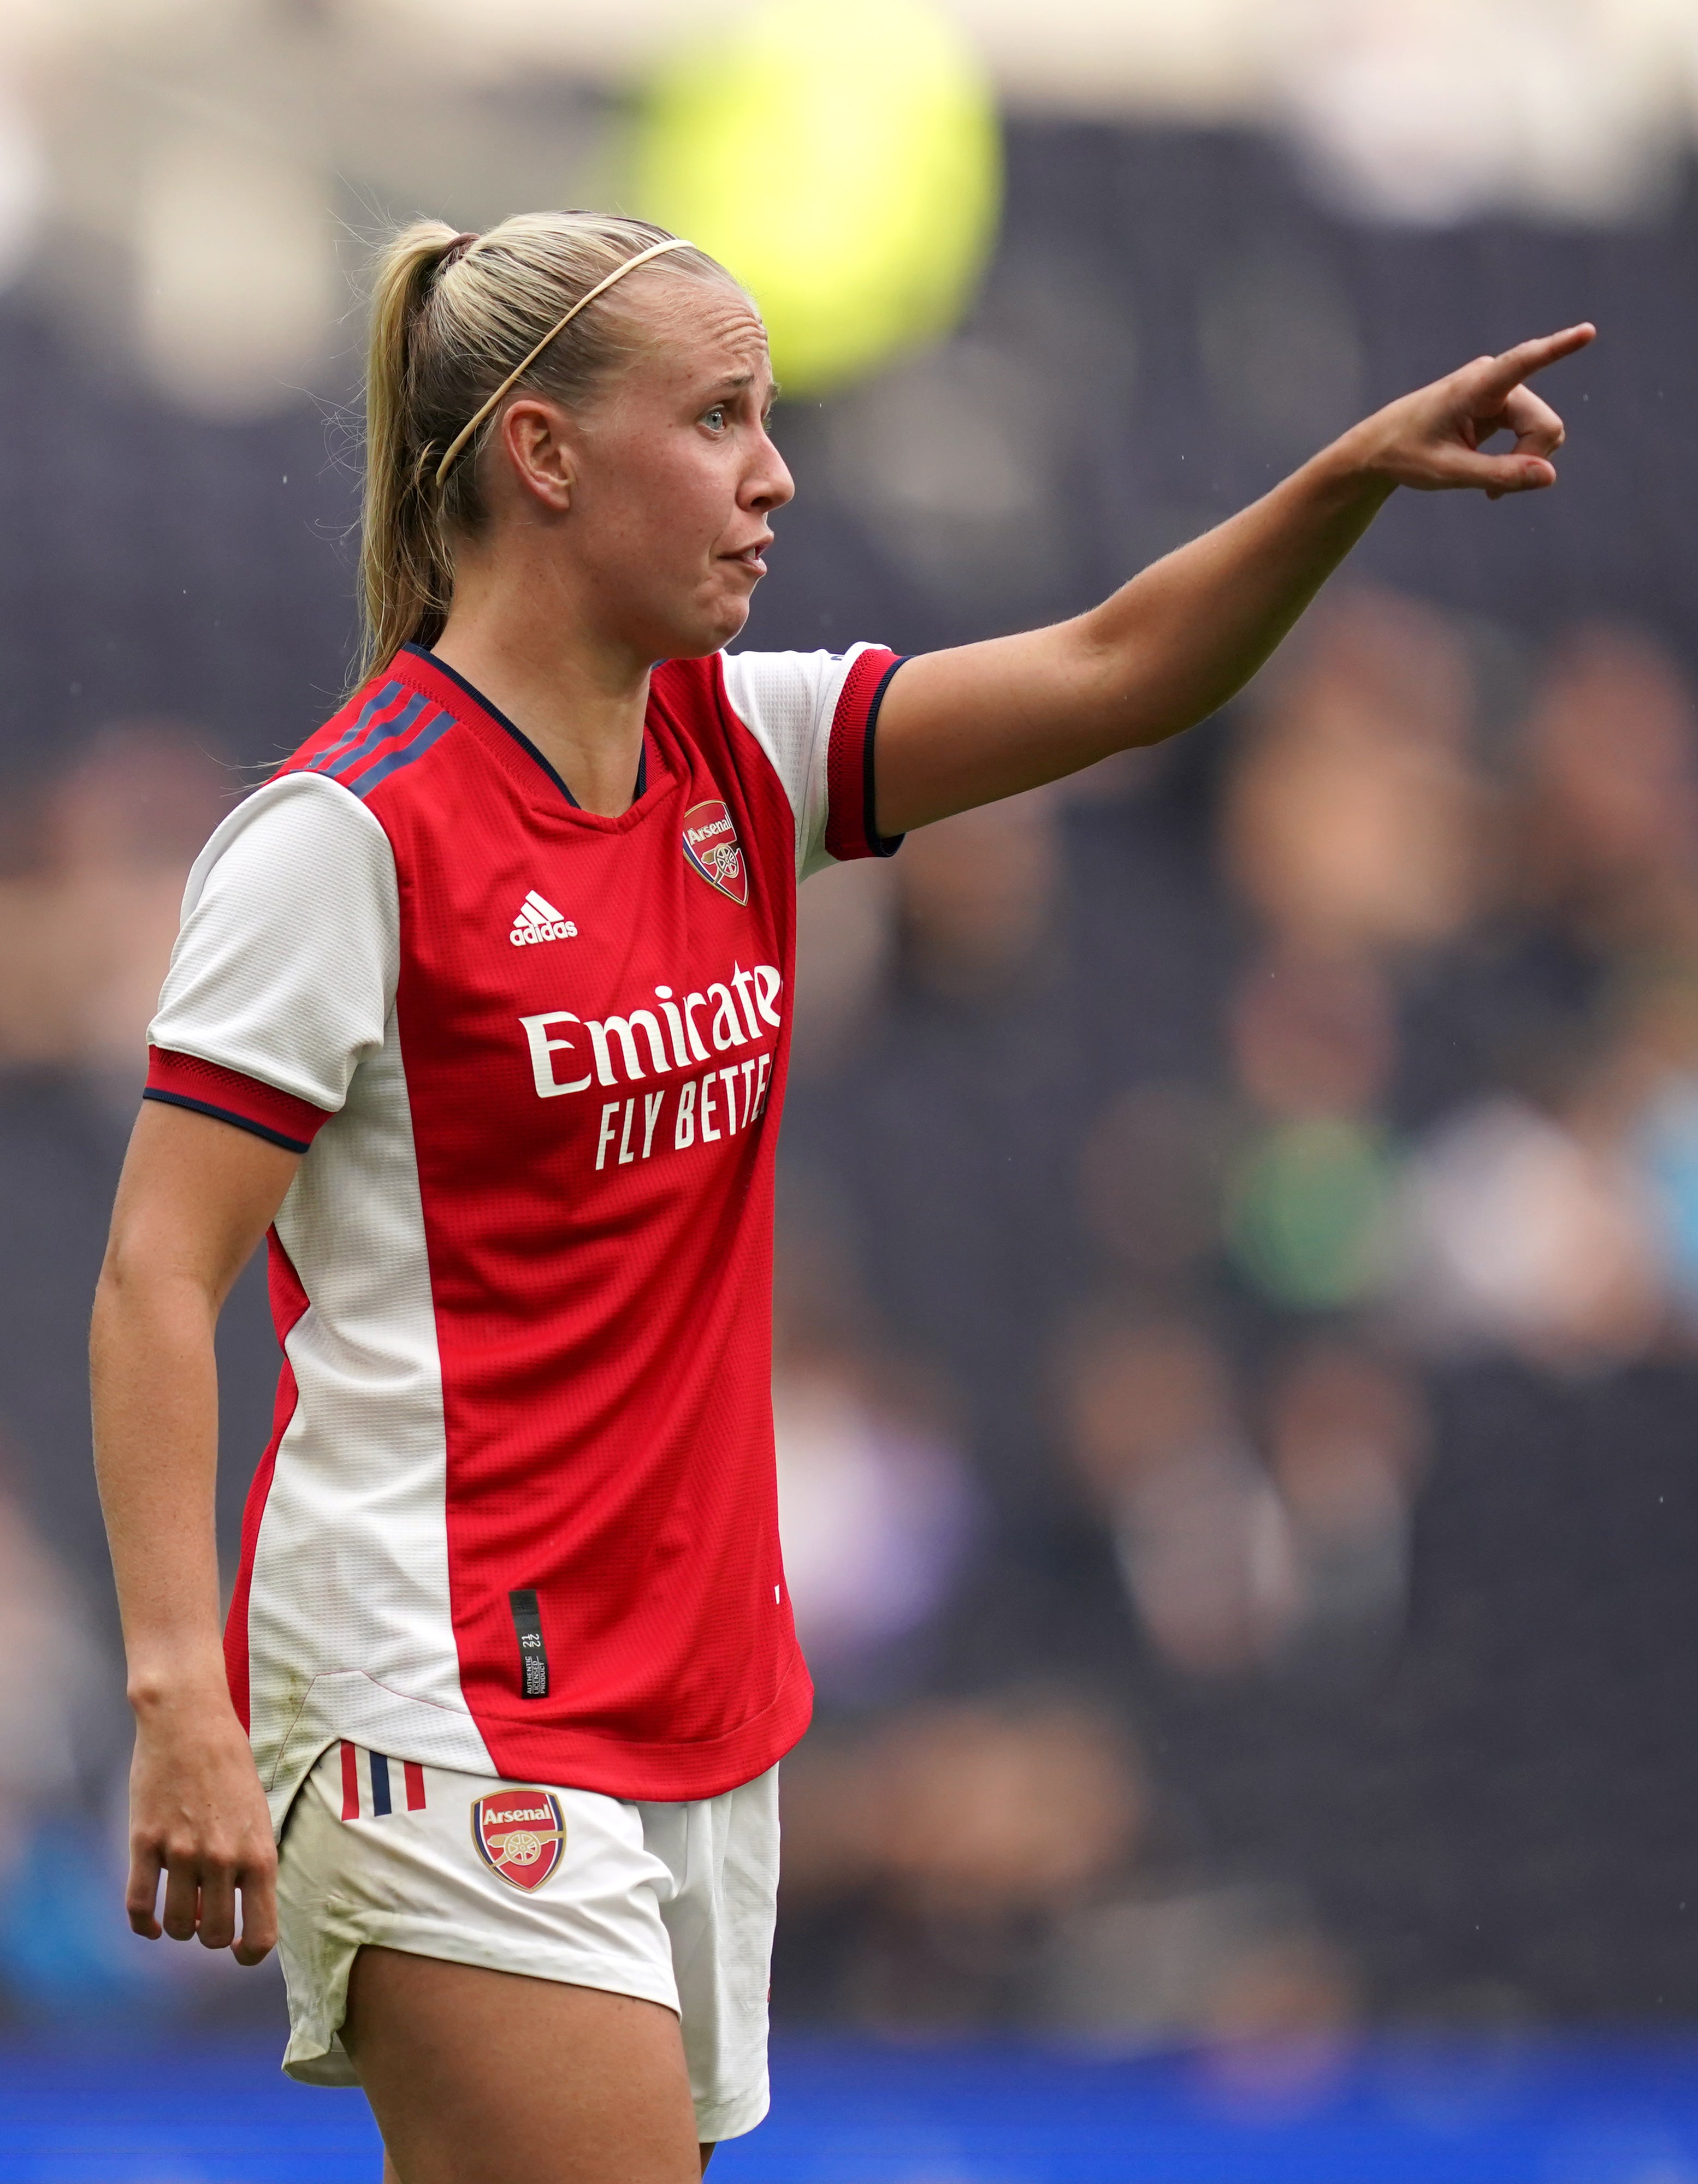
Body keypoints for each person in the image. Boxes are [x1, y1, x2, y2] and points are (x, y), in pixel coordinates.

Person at [89, 207, 1590, 2184]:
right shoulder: (344, 837)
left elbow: (1124, 668)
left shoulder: (749, 750)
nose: (774, 475)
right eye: (718, 419)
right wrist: (180, 1696)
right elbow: (148, 1278)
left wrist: (1339, 486)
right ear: (542, 454)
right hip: (442, 1695)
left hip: (701, 1702)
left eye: (767, 417)